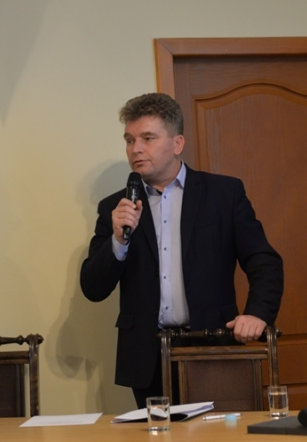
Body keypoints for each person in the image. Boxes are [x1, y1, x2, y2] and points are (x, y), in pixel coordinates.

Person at [80, 92, 283, 407]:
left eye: (148, 138)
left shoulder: (223, 194)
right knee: (158, 432)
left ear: (177, 144)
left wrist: (257, 313)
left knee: (218, 432)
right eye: (130, 140)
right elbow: (93, 288)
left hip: (213, 345)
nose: (136, 149)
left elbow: (264, 262)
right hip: (146, 358)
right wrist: (118, 241)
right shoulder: (115, 208)